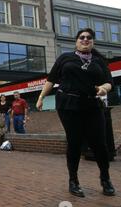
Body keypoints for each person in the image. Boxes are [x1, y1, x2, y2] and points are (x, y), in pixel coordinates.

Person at [36, 28, 115, 197]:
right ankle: (73, 181)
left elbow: (109, 83)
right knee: (74, 142)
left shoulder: (99, 61)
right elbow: (50, 80)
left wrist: (103, 89)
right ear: (76, 41)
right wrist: (41, 97)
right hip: (68, 104)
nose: (85, 40)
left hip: (92, 104)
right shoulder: (65, 58)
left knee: (99, 143)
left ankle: (105, 179)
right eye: (82, 37)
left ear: (92, 42)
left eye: (89, 38)